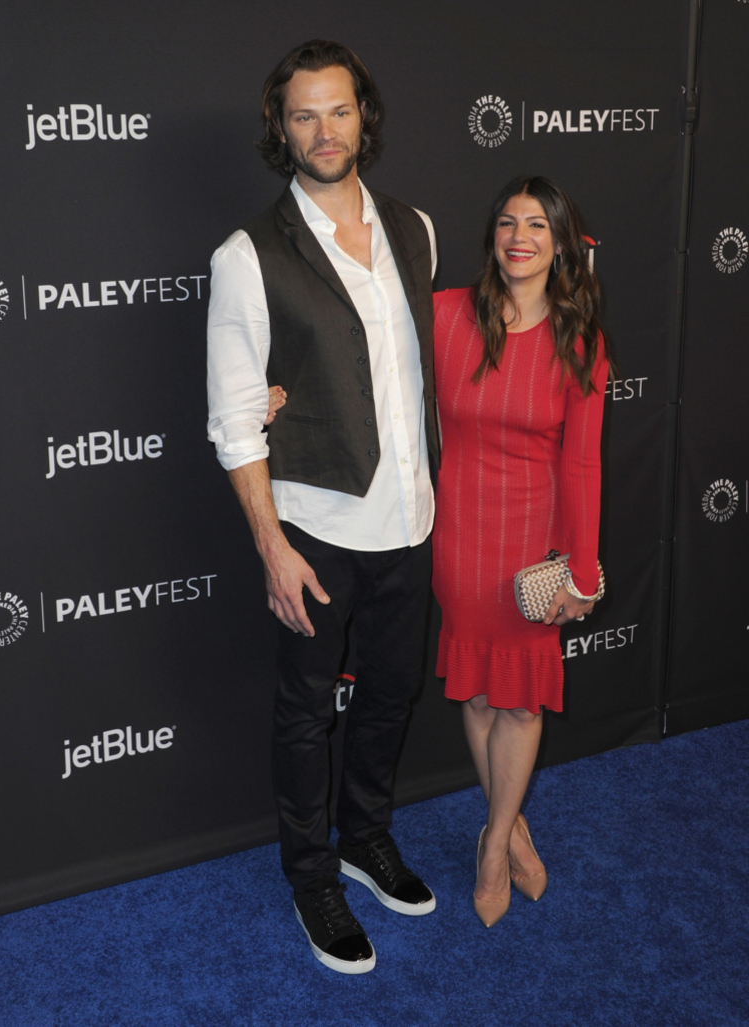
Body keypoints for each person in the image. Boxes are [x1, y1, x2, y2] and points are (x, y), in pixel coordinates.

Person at [206, 39, 440, 974]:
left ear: (364, 117)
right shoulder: (246, 253)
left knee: (390, 694)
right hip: (314, 527)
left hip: (410, 519)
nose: (323, 130)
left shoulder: (414, 229)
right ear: (281, 128)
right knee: (307, 714)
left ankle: (365, 836)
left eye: (338, 110)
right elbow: (234, 419)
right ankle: (312, 876)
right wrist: (271, 544)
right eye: (303, 114)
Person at [431, 176, 609, 928]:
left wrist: (582, 568)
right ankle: (508, 826)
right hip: (460, 536)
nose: (519, 236)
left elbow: (584, 463)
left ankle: (494, 841)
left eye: (537, 224)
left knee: (522, 700)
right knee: (477, 692)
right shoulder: (444, 315)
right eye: (506, 222)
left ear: (562, 242)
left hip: (532, 547)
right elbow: (361, 363)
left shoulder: (581, 340)